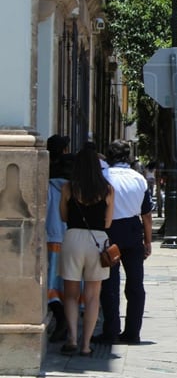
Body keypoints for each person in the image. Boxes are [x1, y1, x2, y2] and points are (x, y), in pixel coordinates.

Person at [94, 140, 153, 345]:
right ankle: (132, 332)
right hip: (133, 230)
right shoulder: (139, 179)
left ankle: (111, 330)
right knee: (136, 284)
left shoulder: (104, 177)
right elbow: (146, 215)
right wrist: (148, 241)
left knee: (109, 284)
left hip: (109, 231)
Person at [58, 144, 114, 356]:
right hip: (97, 241)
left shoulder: (68, 188)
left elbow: (63, 216)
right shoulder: (107, 189)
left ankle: (72, 338)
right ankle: (86, 345)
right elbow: (108, 222)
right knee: (93, 296)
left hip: (73, 238)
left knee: (71, 294)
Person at [46, 134, 72, 343]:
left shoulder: (48, 183)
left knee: (51, 284)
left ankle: (60, 318)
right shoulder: (73, 184)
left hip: (52, 236)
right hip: (70, 237)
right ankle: (67, 325)